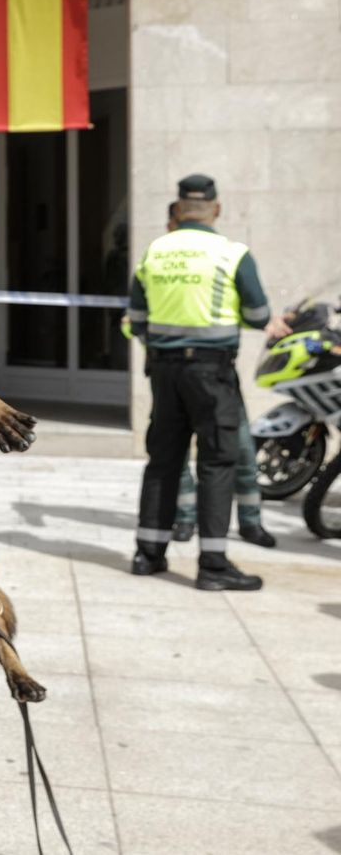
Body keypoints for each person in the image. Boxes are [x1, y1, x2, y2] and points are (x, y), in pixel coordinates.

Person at [130, 174, 269, 591]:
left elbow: (136, 320)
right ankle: (212, 565)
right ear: (217, 208)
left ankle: (148, 555)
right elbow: (260, 315)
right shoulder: (231, 253)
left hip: (164, 372)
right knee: (218, 462)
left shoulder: (155, 251)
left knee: (163, 460)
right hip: (212, 374)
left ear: (177, 210)